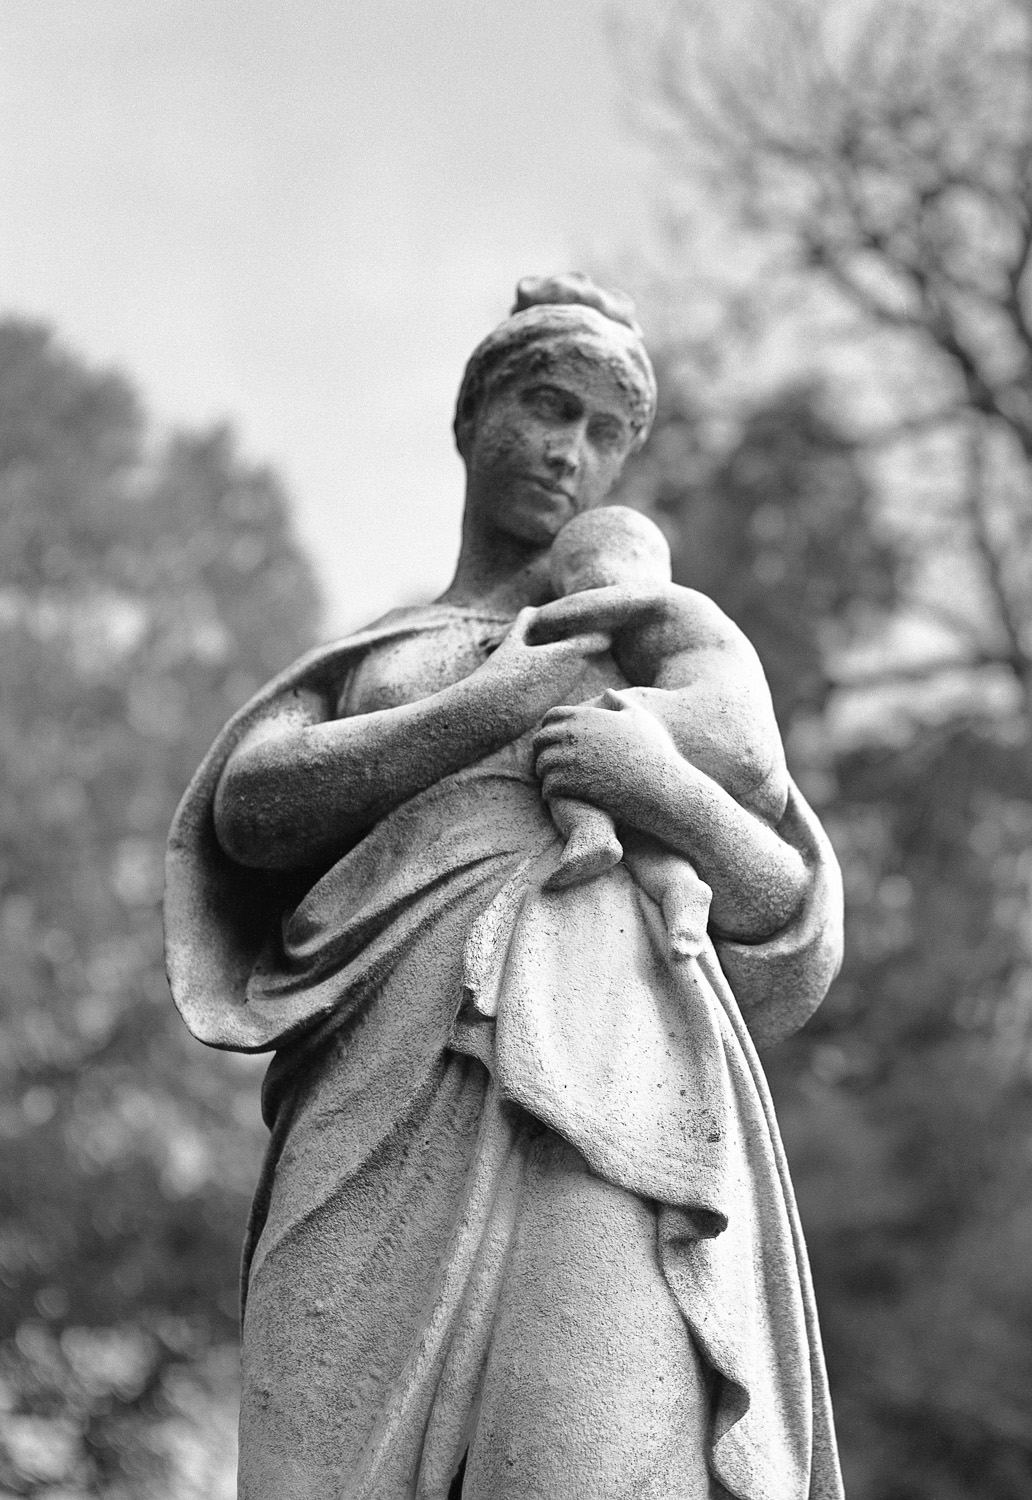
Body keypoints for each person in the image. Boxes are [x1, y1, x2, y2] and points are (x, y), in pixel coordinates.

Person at [163, 275, 845, 1500]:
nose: (568, 453)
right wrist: (502, 696)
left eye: (604, 433)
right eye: (546, 407)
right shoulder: (385, 655)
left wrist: (662, 788)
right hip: (373, 1077)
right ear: (473, 416)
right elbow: (253, 809)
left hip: (604, 1056)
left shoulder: (647, 635)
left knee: (586, 1457)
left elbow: (774, 872)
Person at [536, 503, 789, 959]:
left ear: (633, 557)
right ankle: (681, 890)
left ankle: (589, 829)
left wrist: (537, 623)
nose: (571, 586)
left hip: (712, 717)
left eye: (576, 568)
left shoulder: (673, 602)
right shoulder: (687, 627)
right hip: (750, 768)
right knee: (642, 828)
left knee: (570, 732)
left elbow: (595, 607)